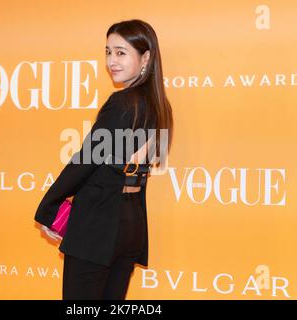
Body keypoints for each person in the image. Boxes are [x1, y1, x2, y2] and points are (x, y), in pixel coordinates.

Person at [34, 19, 174, 300]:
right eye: (108, 52)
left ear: (145, 57)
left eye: (121, 52)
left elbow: (86, 159)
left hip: (99, 226)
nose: (112, 61)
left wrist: (48, 208)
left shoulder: (123, 102)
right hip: (131, 225)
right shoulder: (160, 106)